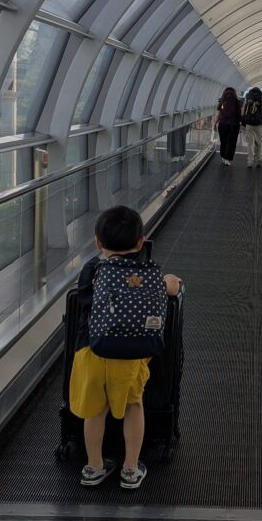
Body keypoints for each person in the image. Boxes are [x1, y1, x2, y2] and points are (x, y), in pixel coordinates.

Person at [70, 205, 181, 488]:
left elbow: (83, 299)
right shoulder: (147, 273)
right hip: (132, 354)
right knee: (134, 405)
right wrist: (170, 283)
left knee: (95, 411)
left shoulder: (93, 270)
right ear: (141, 242)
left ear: (98, 242)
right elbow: (170, 288)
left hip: (93, 351)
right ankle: (130, 469)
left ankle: (94, 466)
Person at [239, 86, 262, 168]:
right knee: (259, 143)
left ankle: (250, 161)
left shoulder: (248, 101)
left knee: (250, 143)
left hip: (249, 125)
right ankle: (258, 160)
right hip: (259, 125)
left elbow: (242, 113)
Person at [215, 87, 241, 165]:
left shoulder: (222, 101)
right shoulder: (237, 101)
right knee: (231, 142)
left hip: (222, 124)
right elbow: (240, 114)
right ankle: (228, 158)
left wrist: (215, 122)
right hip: (234, 125)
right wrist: (240, 123)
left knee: (223, 141)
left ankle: (223, 156)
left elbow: (218, 113)